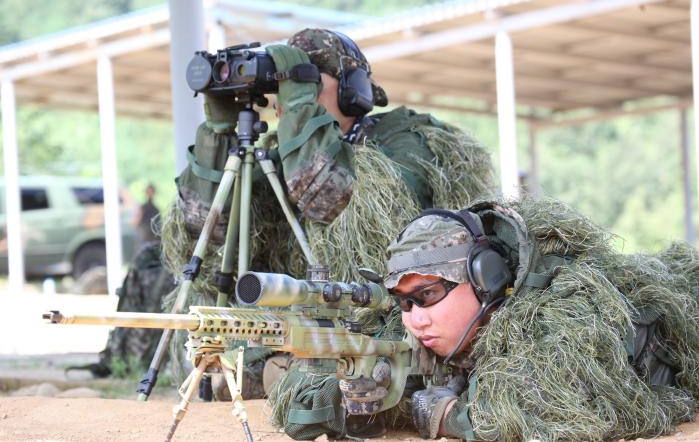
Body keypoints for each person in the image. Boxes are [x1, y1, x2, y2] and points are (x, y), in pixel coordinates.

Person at [159, 28, 495, 396]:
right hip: (300, 321)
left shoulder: (404, 139)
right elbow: (206, 234)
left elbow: (337, 206)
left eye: (308, 83)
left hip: (377, 322)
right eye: (285, 86)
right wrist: (217, 135)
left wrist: (300, 111)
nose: (290, 96)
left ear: (352, 90)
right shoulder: (276, 156)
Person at [270, 198, 699, 441]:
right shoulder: (421, 332)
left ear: (486, 280)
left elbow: (551, 416)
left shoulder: (566, 308)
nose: (415, 319)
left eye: (428, 295)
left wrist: (445, 414)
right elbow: (296, 389)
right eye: (403, 303)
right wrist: (348, 394)